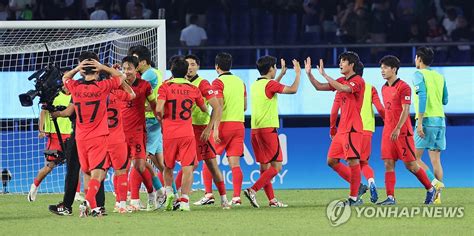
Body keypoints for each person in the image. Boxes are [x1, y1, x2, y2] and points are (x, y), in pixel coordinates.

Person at [62, 51, 126, 217]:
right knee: (99, 172)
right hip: (98, 136)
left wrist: (77, 68)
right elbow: (121, 77)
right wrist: (103, 67)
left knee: (87, 172)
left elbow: (65, 78)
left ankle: (95, 207)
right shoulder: (103, 87)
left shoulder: (75, 87)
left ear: (83, 71)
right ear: (96, 70)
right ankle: (88, 200)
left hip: (80, 137)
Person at [168, 54, 229, 209]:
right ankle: (176, 197)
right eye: (187, 64)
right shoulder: (173, 83)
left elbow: (217, 107)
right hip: (183, 129)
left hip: (200, 129)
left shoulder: (202, 83)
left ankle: (223, 199)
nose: (190, 67)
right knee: (189, 165)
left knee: (210, 164)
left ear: (198, 67)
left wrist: (210, 128)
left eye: (193, 64)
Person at [305, 52, 365, 205]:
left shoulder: (357, 81)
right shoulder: (340, 80)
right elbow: (319, 87)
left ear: (351, 65)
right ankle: (358, 186)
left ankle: (353, 198)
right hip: (342, 130)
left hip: (352, 128)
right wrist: (309, 74)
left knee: (353, 161)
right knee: (331, 161)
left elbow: (344, 89)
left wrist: (325, 74)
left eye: (343, 61)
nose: (340, 63)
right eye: (340, 61)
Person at [377, 55, 437, 205]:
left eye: (385, 67)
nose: (382, 71)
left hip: (402, 132)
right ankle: (390, 197)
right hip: (388, 131)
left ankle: (430, 189)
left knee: (410, 165)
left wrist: (397, 128)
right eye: (381, 68)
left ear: (394, 69)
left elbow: (406, 110)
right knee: (388, 163)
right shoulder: (384, 88)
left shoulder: (404, 87)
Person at [244, 56, 300, 208]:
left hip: (255, 130)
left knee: (264, 168)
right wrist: (298, 74)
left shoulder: (256, 84)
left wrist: (281, 74)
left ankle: (272, 200)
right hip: (268, 130)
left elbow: (271, 86)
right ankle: (252, 189)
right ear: (270, 69)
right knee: (276, 167)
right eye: (274, 67)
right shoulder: (270, 84)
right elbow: (293, 90)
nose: (275, 69)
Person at [329, 61, 384, 203]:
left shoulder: (345, 87)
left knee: (352, 163)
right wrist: (388, 123)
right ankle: (370, 181)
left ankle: (356, 193)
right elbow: (381, 109)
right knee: (363, 163)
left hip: (351, 129)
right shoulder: (370, 88)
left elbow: (334, 110)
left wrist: (333, 127)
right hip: (367, 130)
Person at [157, 58, 207, 211]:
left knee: (168, 166)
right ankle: (185, 200)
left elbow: (159, 109)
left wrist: (163, 120)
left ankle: (169, 192)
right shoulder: (193, 88)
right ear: (186, 71)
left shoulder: (165, 87)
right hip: (187, 132)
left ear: (171, 71)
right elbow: (204, 108)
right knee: (187, 167)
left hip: (170, 132)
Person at [128, 45, 171, 203]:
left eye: (136, 61)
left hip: (149, 121)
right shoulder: (156, 73)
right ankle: (169, 192)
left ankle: (134, 198)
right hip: (154, 119)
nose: (133, 64)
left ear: (144, 62)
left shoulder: (148, 75)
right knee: (160, 163)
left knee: (139, 159)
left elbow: (133, 92)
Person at [120, 55, 163, 211]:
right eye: (124, 68)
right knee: (122, 167)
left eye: (129, 68)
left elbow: (154, 105)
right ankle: (125, 202)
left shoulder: (145, 85)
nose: (126, 71)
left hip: (138, 131)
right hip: (121, 133)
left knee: (139, 165)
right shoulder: (117, 84)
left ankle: (153, 193)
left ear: (136, 69)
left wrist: (162, 122)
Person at [28, 86, 77, 202]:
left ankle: (77, 193)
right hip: (55, 135)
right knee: (49, 166)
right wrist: (41, 129)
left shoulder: (76, 94)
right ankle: (34, 186)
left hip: (72, 133)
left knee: (75, 165)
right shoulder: (54, 95)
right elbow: (43, 112)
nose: (66, 85)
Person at [413, 47, 448, 204]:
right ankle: (437, 198)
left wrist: (419, 122)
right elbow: (445, 100)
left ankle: (434, 183)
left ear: (419, 59)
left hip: (426, 121)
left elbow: (422, 97)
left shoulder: (418, 74)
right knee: (436, 161)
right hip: (440, 121)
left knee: (414, 158)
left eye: (416, 58)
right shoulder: (440, 76)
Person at [212, 52, 246, 205]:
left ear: (217, 67)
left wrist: (216, 128)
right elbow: (245, 107)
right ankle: (237, 197)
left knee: (209, 159)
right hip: (239, 125)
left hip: (224, 124)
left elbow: (218, 105)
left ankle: (208, 194)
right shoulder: (240, 82)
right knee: (235, 164)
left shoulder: (218, 82)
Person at [105, 71, 136, 214]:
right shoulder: (117, 94)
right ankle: (121, 203)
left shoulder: (96, 96)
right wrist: (120, 80)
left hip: (99, 139)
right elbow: (132, 94)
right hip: (117, 139)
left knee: (96, 173)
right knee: (121, 171)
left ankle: (91, 204)